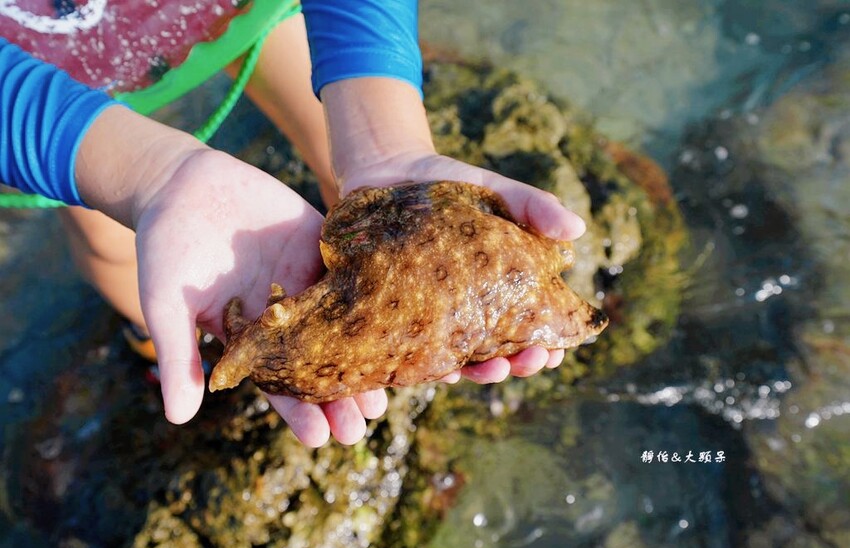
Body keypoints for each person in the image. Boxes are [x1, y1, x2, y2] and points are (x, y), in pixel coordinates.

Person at [0, 0, 587, 447]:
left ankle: (347, 218)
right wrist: (142, 171)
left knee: (350, 161)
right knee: (110, 237)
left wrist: (383, 134)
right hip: (43, 82)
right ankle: (158, 330)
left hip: (236, 11)